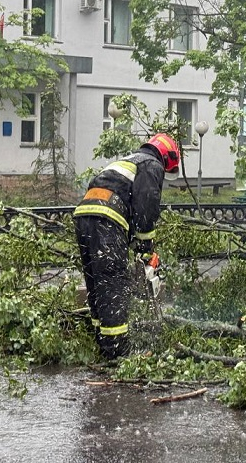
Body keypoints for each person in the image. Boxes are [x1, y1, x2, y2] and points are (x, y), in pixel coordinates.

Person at [72, 133, 180, 359]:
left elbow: (119, 198)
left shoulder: (127, 162)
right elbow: (146, 208)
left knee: (96, 281)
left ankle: (101, 343)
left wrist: (128, 240)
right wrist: (146, 248)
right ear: (167, 159)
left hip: (84, 217)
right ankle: (117, 353)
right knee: (113, 284)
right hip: (107, 219)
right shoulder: (151, 165)